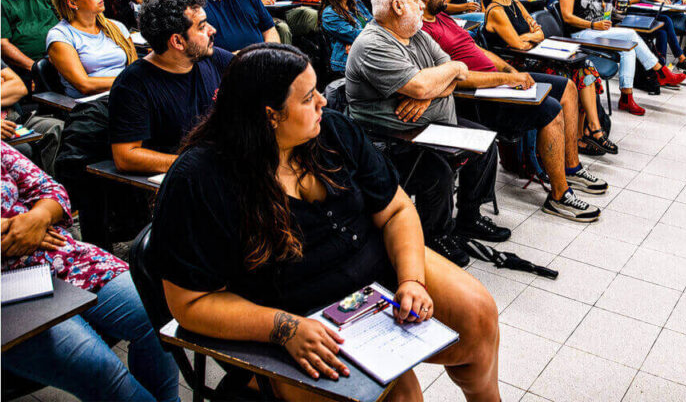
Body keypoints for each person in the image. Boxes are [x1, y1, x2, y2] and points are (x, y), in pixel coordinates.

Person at [149, 44, 500, 402]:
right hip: (290, 310)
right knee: (401, 396)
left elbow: (395, 209)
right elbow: (188, 304)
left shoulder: (330, 131)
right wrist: (284, 329)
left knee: (477, 315)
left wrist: (411, 280)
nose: (323, 102)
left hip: (370, 277)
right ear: (271, 116)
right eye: (307, 98)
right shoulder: (200, 179)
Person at [408, 0, 608, 222]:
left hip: (497, 78)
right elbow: (452, 76)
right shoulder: (423, 30)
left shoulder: (443, 16)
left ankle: (571, 166)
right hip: (479, 96)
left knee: (566, 87)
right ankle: (559, 196)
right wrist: (502, 78)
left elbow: (478, 51)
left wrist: (510, 72)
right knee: (550, 109)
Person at [345, 0, 509, 266]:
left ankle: (470, 217)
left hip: (432, 126)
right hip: (389, 138)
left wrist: (427, 92)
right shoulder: (372, 44)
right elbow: (430, 81)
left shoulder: (416, 33)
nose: (421, 5)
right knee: (436, 172)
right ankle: (436, 237)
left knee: (486, 145)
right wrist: (438, 79)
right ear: (397, 6)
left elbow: (448, 75)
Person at [1, 142, 179, 402]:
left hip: (65, 259)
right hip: (10, 294)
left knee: (159, 316)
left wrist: (36, 219)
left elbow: (51, 190)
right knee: (102, 369)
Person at [482, 0, 618, 157]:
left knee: (584, 68)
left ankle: (591, 130)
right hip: (516, 67)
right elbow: (518, 45)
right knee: (574, 75)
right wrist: (529, 37)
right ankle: (586, 135)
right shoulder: (496, 10)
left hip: (533, 57)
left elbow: (540, 33)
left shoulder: (515, 4)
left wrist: (528, 37)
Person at [109, 0, 232, 174]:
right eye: (202, 26)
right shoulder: (132, 84)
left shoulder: (212, 58)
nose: (212, 30)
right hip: (180, 180)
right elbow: (126, 156)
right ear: (178, 41)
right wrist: (196, 164)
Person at [558, 0, 685, 116]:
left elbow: (603, 5)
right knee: (631, 35)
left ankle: (626, 97)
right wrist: (593, 24)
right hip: (580, 33)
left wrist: (608, 13)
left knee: (629, 49)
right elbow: (567, 17)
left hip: (597, 28)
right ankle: (660, 71)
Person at [46, 0, 138, 97]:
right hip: (94, 104)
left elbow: (135, 69)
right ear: (72, 3)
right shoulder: (61, 36)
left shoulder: (116, 27)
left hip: (127, 94)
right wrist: (131, 82)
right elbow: (85, 85)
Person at [1, 61, 63, 173]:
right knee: (24, 148)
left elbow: (18, 87)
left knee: (56, 127)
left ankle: (49, 185)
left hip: (13, 119)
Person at [318, 0, 372, 75]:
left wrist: (355, 42)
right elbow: (354, 35)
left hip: (365, 51)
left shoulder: (357, 3)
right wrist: (356, 40)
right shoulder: (329, 14)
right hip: (347, 62)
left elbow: (374, 23)